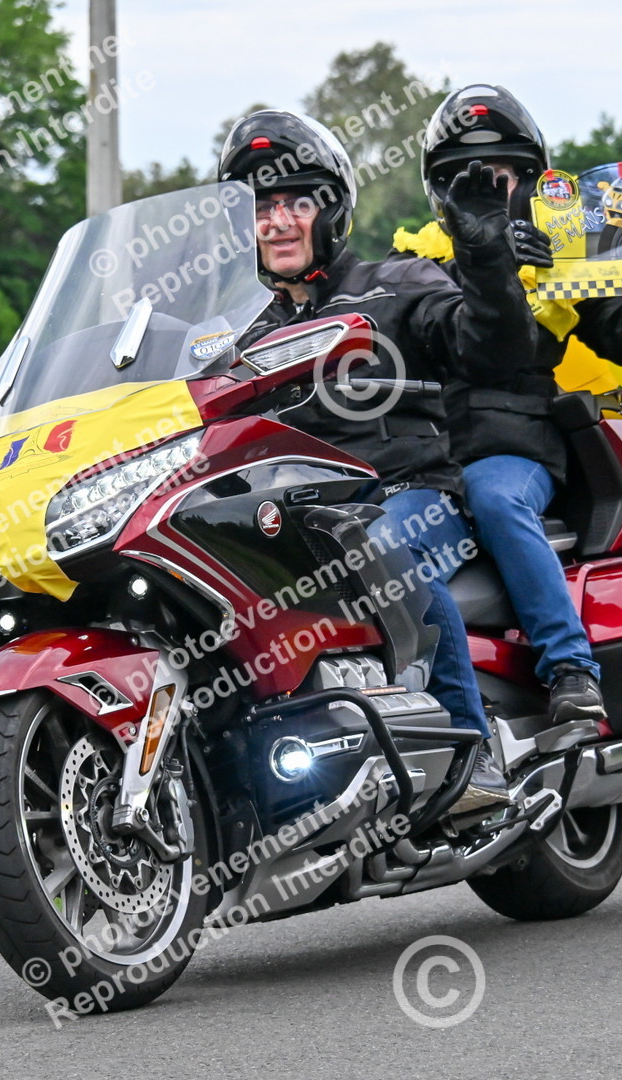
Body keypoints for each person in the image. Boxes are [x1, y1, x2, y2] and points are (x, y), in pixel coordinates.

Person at [399, 85, 622, 722]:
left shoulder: (563, 255)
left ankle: (570, 668)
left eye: (501, 175)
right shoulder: (414, 261)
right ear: (437, 191)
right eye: (461, 179)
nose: (484, 189)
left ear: (532, 182)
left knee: (495, 496)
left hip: (513, 446)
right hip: (423, 460)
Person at [220, 110, 532, 809]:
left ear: (331, 210)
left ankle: (471, 749)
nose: (277, 221)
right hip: (297, 518)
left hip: (406, 494)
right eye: (261, 208)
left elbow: (494, 350)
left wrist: (486, 260)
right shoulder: (235, 338)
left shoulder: (397, 283)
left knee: (383, 547)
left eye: (296, 203)